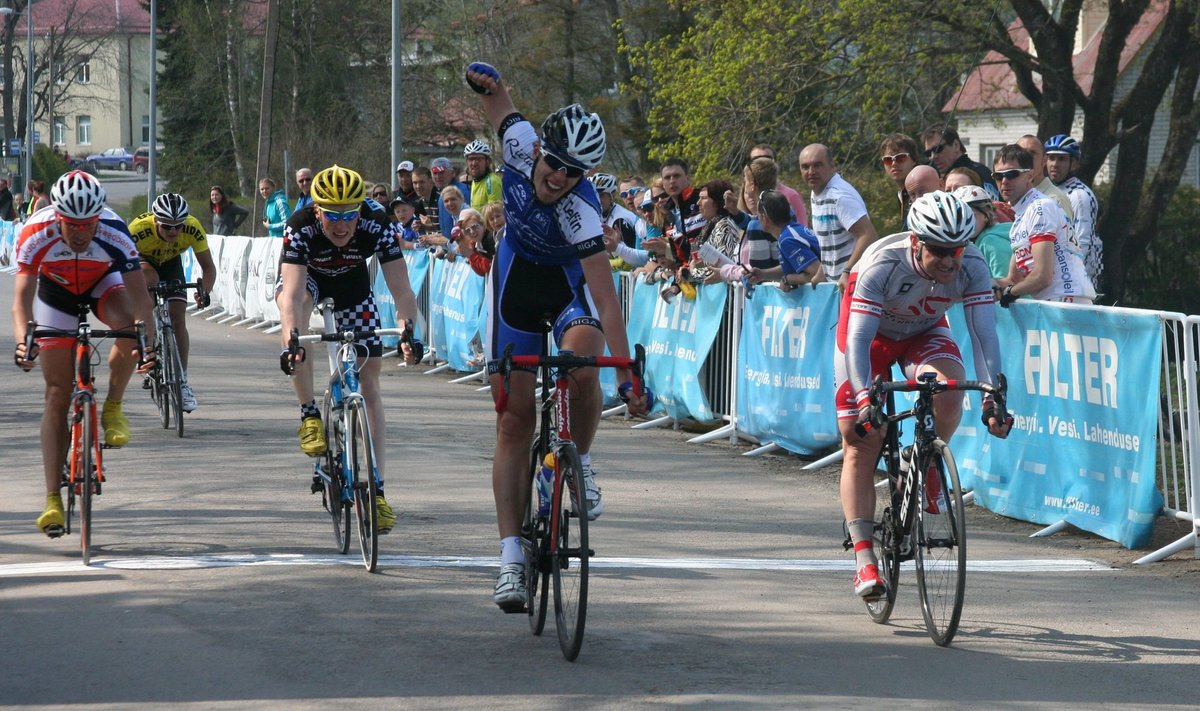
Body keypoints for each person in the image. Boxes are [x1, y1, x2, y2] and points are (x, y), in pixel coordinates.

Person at [464, 61, 651, 611]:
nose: (561, 177)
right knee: (514, 420)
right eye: (557, 163)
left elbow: (604, 294)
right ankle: (510, 560)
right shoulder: (520, 143)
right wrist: (489, 84)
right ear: (539, 148)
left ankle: (583, 463)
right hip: (516, 286)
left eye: (577, 171)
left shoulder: (582, 213)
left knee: (585, 363)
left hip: (568, 290)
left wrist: (628, 369)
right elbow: (498, 101)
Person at [835, 190, 1012, 599]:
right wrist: (865, 401)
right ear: (916, 241)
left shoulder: (972, 265)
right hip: (869, 338)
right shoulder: (883, 262)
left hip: (923, 332)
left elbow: (985, 337)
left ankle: (924, 461)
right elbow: (858, 341)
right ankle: (864, 560)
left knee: (950, 390)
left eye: (957, 249)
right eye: (939, 251)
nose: (951, 260)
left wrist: (993, 398)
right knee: (861, 440)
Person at [276, 165, 423, 535]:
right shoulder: (299, 225)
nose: (341, 226)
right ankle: (309, 413)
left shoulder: (377, 223)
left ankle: (376, 492)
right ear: (317, 210)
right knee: (297, 318)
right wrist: (293, 338)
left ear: (360, 210)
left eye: (349, 216)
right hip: (308, 280)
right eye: (332, 216)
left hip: (353, 287)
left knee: (369, 384)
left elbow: (403, 289)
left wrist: (408, 333)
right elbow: (291, 295)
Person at [12, 170, 155, 535]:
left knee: (128, 331)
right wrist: (22, 340)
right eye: (71, 224)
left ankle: (113, 406)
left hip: (101, 284)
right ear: (56, 216)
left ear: (98, 218)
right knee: (57, 393)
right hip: (55, 293)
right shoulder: (35, 231)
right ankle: (52, 500)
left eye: (88, 224)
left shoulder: (114, 231)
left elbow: (140, 299)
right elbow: (21, 300)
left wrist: (149, 344)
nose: (80, 232)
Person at [127, 194, 217, 411]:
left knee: (178, 320)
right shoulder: (138, 229)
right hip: (144, 262)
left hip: (171, 264)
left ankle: (183, 381)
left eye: (178, 226)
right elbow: (125, 267)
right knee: (150, 286)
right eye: (167, 226)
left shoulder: (192, 227)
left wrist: (204, 291)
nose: (174, 232)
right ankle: (148, 349)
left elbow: (208, 268)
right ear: (156, 221)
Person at [991, 144, 1095, 305]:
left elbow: (1042, 276)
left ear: (1030, 176)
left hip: (1067, 299)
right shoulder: (1021, 215)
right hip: (1051, 302)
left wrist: (1011, 292)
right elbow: (1012, 279)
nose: (1004, 181)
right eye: (998, 176)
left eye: (1012, 174)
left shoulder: (1039, 208)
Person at [799, 143, 879, 290]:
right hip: (836, 286)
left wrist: (848, 272)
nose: (811, 172)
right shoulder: (817, 192)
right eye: (805, 167)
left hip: (855, 284)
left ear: (832, 165)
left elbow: (869, 236)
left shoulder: (840, 196)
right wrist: (821, 272)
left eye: (817, 165)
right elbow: (831, 240)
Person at [1044, 134, 1103, 285]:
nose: (1055, 164)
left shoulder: (1080, 196)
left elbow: (1083, 242)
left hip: (1079, 281)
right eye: (1051, 158)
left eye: (1062, 159)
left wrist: (1068, 277)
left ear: (1074, 163)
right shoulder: (1050, 191)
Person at [748, 190, 821, 290]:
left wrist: (788, 279)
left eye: (758, 216)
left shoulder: (787, 240)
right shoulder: (792, 231)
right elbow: (794, 265)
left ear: (765, 219)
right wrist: (763, 274)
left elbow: (816, 273)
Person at [920, 124, 999, 200]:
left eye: (938, 149)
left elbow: (994, 208)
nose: (933, 157)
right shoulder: (934, 178)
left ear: (956, 145)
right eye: (928, 153)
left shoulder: (980, 172)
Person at [952, 185, 1013, 279]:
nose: (963, 222)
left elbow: (1004, 282)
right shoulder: (991, 237)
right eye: (957, 216)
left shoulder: (991, 242)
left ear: (986, 214)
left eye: (969, 215)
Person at [1015, 134, 1074, 222]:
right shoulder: (1013, 196)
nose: (1026, 157)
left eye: (1032, 153)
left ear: (1044, 160)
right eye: (1021, 153)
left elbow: (1066, 235)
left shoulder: (1056, 200)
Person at [747, 144, 809, 225]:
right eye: (756, 160)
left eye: (767, 159)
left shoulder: (791, 196)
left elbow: (802, 227)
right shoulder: (746, 195)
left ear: (775, 163)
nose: (762, 164)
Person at [879, 133, 919, 226]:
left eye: (901, 158)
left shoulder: (922, 191)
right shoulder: (901, 194)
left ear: (914, 160)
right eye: (888, 159)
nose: (893, 164)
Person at [431, 157, 470, 238]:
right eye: (435, 173)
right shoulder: (442, 193)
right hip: (449, 247)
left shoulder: (462, 191)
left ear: (452, 173)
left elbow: (468, 222)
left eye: (441, 173)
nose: (438, 177)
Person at [464, 140, 503, 211]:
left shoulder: (492, 181)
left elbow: (494, 216)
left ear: (488, 162)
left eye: (478, 159)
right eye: (471, 159)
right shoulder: (475, 181)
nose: (474, 163)